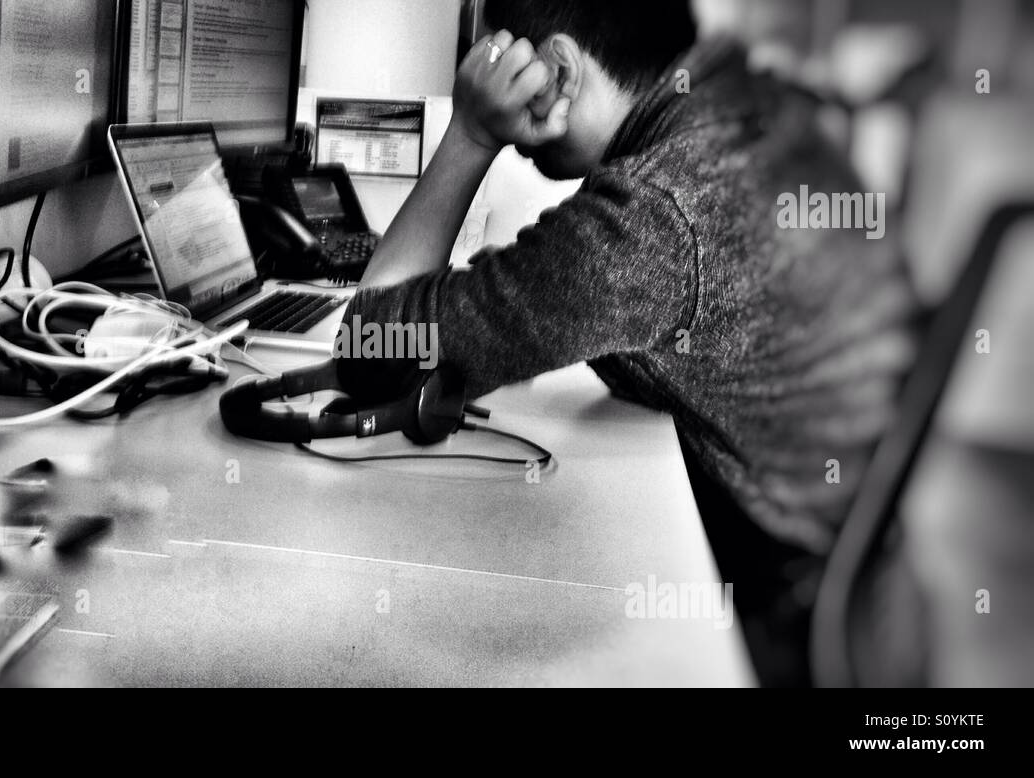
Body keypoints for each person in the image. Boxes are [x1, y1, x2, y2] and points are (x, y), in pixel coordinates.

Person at [337, 0, 921, 686]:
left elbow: (371, 350)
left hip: (782, 610)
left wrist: (469, 133)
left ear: (554, 68)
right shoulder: (743, 98)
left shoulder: (658, 214)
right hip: (877, 575)